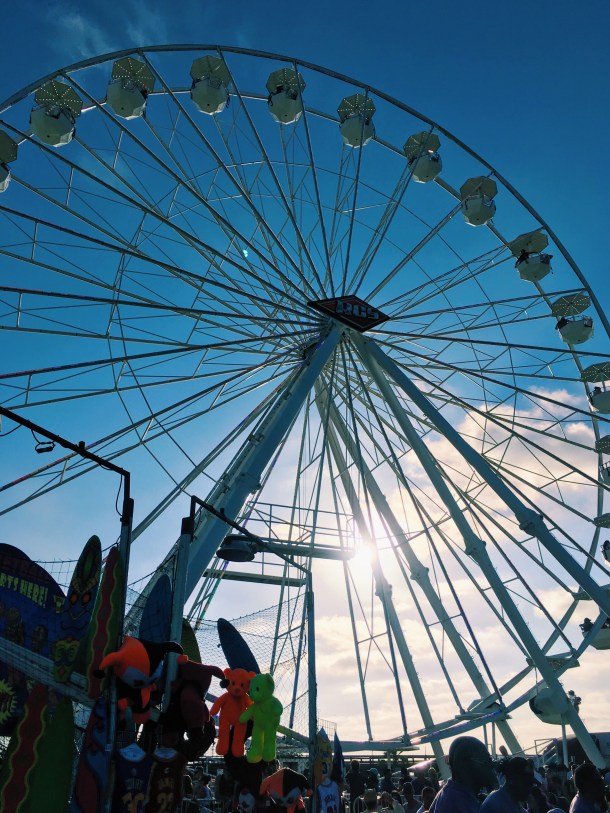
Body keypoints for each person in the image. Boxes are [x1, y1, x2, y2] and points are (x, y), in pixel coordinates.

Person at [429, 736, 497, 813]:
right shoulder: (456, 804)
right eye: (486, 760)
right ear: (467, 765)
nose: (492, 764)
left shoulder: (452, 794)